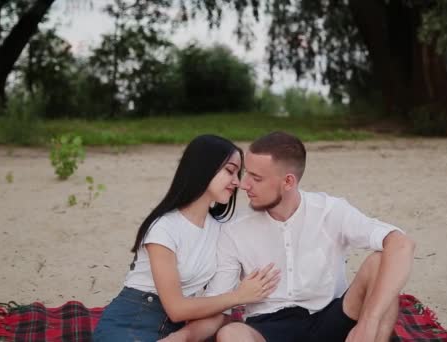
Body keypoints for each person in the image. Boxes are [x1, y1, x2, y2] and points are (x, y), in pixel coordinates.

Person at [167, 131, 416, 342]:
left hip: (331, 317)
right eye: (246, 174)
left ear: (288, 181)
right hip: (268, 328)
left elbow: (402, 243)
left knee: (383, 263)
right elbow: (218, 303)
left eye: (256, 178)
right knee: (231, 334)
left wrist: (367, 323)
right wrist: (182, 337)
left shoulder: (330, 210)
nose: (243, 185)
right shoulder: (234, 229)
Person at [93, 134, 280, 342]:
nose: (237, 182)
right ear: (204, 168)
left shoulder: (221, 229)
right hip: (135, 317)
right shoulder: (164, 228)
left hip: (181, 326)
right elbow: (176, 308)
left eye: (238, 174)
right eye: (230, 171)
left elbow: (217, 308)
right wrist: (239, 297)